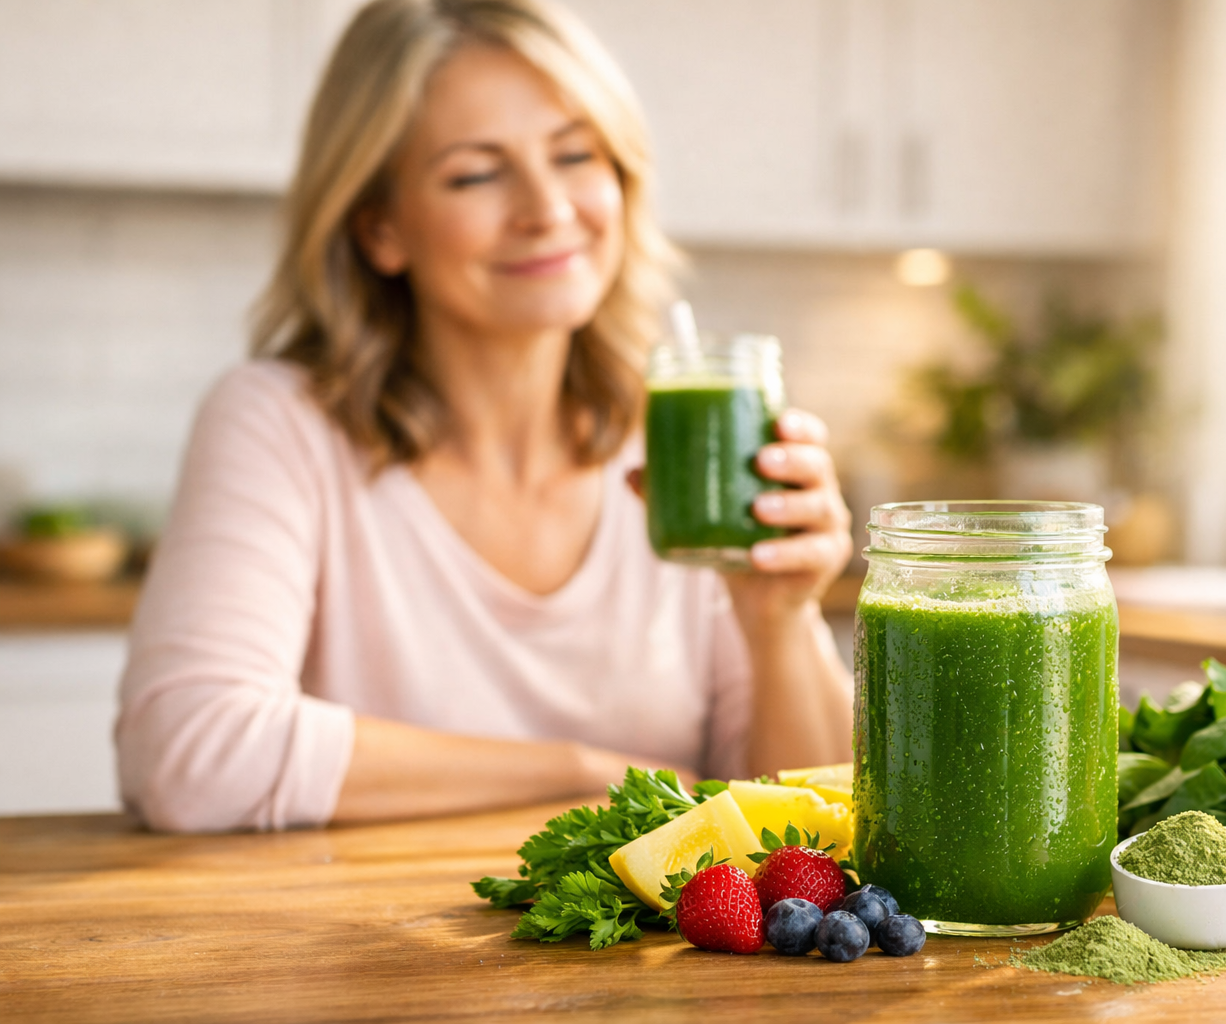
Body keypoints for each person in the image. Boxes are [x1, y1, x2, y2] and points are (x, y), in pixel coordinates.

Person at [115, 0, 854, 833]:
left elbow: (804, 823)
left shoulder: (681, 454)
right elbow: (187, 751)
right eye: (475, 173)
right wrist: (581, 771)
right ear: (380, 226)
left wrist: (779, 620)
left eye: (576, 155)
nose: (547, 207)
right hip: (361, 955)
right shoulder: (282, 425)